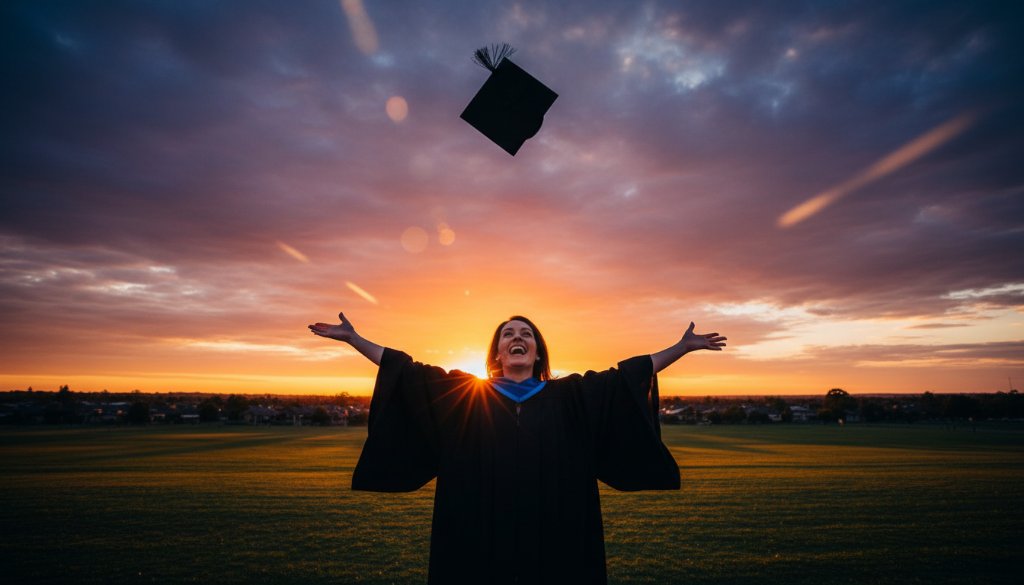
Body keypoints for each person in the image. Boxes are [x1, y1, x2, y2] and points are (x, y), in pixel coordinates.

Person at [308, 312, 726, 585]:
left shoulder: (572, 396)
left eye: (526, 334)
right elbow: (407, 371)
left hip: (557, 539)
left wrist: (681, 348)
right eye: (508, 335)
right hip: (478, 539)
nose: (517, 338)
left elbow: (626, 378)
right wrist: (355, 339)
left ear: (538, 351)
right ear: (497, 353)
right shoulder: (465, 395)